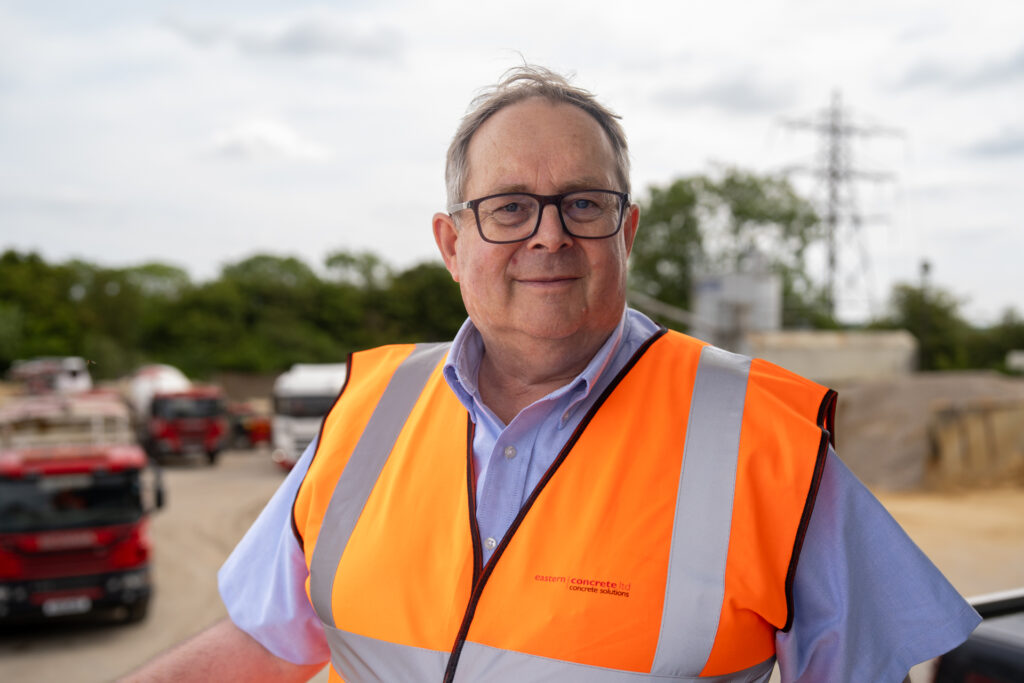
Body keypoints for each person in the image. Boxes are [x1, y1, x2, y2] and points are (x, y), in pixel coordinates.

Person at [122, 65, 980, 683]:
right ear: (451, 244)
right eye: (508, 207)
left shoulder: (764, 440)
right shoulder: (365, 415)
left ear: (627, 232)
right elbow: (270, 642)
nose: (548, 235)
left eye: (583, 203)